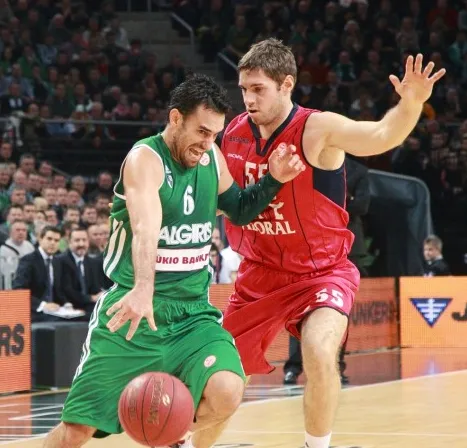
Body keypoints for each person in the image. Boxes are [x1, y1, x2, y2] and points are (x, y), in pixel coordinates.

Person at [42, 73, 306, 448]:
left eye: (214, 134)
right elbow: (145, 227)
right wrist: (143, 289)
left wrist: (274, 179)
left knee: (228, 390)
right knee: (76, 432)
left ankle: (175, 436)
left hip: (192, 315)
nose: (207, 143)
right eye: (201, 131)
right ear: (176, 118)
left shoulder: (211, 157)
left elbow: (240, 209)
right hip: (134, 312)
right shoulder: (145, 159)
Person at [211, 38, 445, 448]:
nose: (248, 99)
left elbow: (380, 134)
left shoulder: (317, 129)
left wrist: (410, 105)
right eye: (244, 88)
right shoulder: (233, 134)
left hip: (320, 272)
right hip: (259, 274)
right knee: (218, 378)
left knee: (320, 350)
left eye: (258, 89)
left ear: (286, 84)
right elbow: (221, 200)